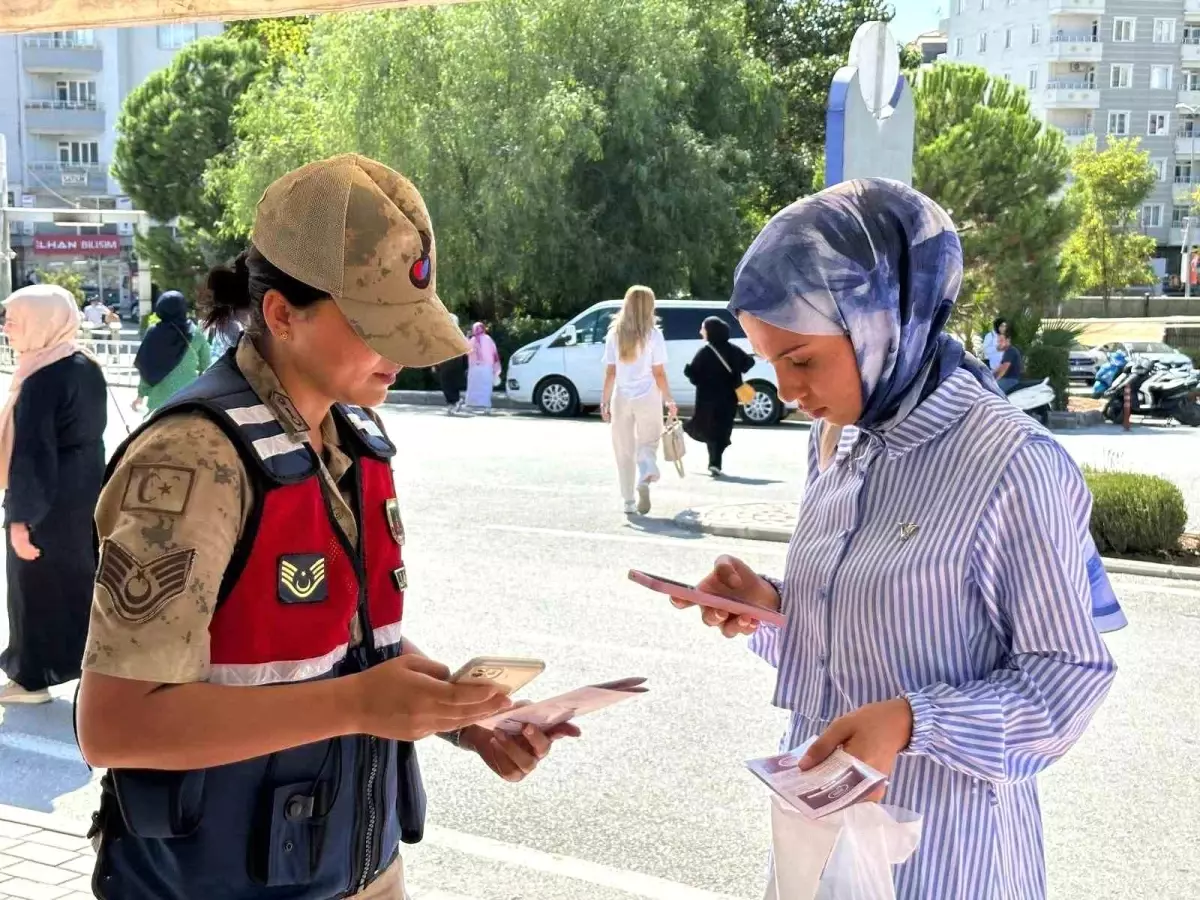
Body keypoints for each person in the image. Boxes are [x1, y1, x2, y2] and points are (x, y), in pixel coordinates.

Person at [76, 154, 575, 900]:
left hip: (358, 869)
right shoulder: (195, 457)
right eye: (379, 326)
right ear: (281, 314)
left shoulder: (346, 435)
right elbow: (114, 726)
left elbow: (336, 637)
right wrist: (358, 704)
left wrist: (461, 716)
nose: (404, 352)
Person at [670, 179, 1117, 900]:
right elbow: (862, 634)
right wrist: (772, 607)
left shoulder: (1009, 465)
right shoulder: (840, 438)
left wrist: (915, 722)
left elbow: (1066, 684)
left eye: (803, 360)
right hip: (818, 838)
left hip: (946, 856)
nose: (785, 390)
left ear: (882, 321)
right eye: (771, 360)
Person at [0, 285, 107, 705]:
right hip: (85, 493)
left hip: (49, 501)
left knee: (33, 590)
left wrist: (19, 521)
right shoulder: (86, 365)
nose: (6, 327)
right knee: (79, 585)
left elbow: (31, 456)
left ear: (41, 321)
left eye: (13, 318)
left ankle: (32, 679)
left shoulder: (42, 378)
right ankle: (93, 671)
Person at [600, 285, 677, 515]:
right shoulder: (654, 335)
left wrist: (604, 402)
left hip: (621, 397)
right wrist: (669, 399)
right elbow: (659, 373)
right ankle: (645, 474)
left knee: (623, 449)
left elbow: (610, 372)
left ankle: (628, 501)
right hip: (648, 396)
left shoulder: (614, 333)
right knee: (649, 442)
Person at [683, 316, 752, 477]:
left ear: (710, 332)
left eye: (703, 329)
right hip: (729, 399)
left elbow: (695, 375)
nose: (701, 332)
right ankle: (715, 462)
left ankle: (714, 462)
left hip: (707, 400)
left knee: (708, 428)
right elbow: (748, 363)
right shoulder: (733, 350)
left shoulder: (705, 352)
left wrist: (688, 371)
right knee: (722, 429)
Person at [131, 290, 212, 412]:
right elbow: (206, 364)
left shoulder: (153, 333)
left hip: (159, 401)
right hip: (188, 398)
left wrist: (140, 396)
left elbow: (146, 366)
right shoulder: (195, 333)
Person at [464, 321, 500, 412]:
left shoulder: (472, 340)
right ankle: (486, 406)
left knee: (473, 386)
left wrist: (467, 339)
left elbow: (467, 352)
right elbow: (494, 354)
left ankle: (471, 404)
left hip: (474, 367)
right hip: (487, 368)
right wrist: (496, 368)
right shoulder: (488, 339)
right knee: (486, 386)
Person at [436, 314, 469, 414]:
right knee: (449, 383)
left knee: (448, 382)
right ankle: (453, 403)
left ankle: (454, 402)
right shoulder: (453, 333)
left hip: (450, 361)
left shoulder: (450, 333)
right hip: (453, 361)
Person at [993, 328, 1023, 393]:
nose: (999, 343)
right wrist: (989, 373)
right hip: (1007, 380)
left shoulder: (1010, 351)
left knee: (993, 391)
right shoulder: (1007, 352)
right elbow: (999, 368)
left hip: (1010, 380)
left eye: (1001, 341)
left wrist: (995, 381)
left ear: (1007, 340)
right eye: (998, 341)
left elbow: (1004, 369)